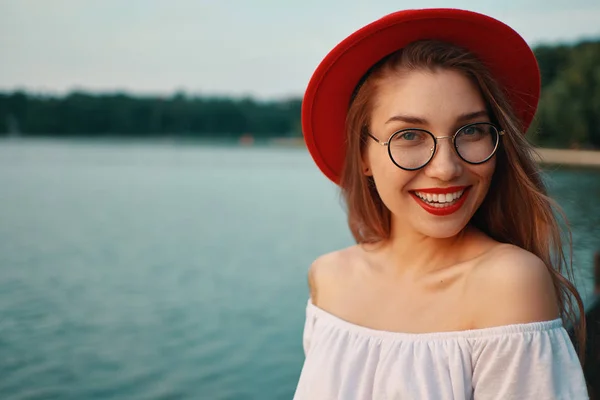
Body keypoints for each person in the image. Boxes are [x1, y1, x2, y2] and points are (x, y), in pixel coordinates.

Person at [294, 8, 589, 399]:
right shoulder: (329, 279)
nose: (446, 168)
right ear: (363, 155)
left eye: (471, 131)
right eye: (410, 135)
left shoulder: (509, 285)